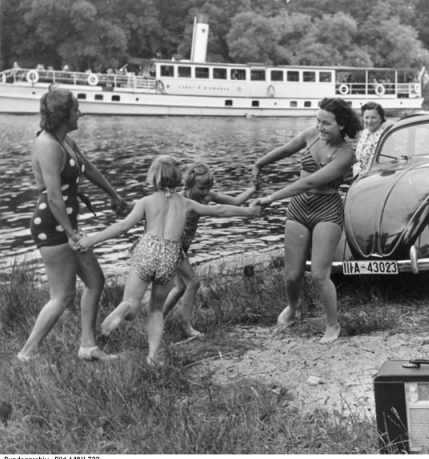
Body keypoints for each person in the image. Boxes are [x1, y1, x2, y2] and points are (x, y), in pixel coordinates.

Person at [76, 156, 261, 366]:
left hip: (147, 249)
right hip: (171, 255)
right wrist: (250, 212)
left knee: (131, 302)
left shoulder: (146, 202)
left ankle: (124, 309)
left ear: (153, 177)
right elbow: (221, 210)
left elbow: (123, 226)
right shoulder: (187, 203)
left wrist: (92, 239)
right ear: (179, 178)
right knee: (156, 310)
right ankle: (153, 357)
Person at [17, 88, 128, 362]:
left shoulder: (64, 140)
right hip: (53, 225)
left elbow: (88, 168)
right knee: (62, 296)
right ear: (63, 114)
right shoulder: (47, 145)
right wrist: (71, 234)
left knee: (95, 281)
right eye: (76, 109)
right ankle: (26, 354)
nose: (81, 113)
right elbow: (54, 197)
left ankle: (88, 347)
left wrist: (113, 194)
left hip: (66, 223)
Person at [251, 97, 362, 343]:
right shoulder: (311, 135)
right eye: (318, 121)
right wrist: (259, 163)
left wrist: (271, 198)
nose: (320, 127)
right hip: (300, 207)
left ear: (342, 125)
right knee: (292, 274)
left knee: (319, 275)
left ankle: (332, 325)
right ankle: (292, 308)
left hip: (327, 210)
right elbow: (286, 149)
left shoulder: (345, 154)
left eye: (326, 124)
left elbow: (310, 182)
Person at [161, 162, 256, 338]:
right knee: (193, 283)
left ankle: (157, 320)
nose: (205, 192)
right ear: (188, 184)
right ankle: (186, 326)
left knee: (181, 287)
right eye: (201, 188)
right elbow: (219, 210)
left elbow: (234, 202)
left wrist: (252, 190)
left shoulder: (206, 197)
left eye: (208, 188)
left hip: (182, 247)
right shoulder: (179, 199)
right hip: (171, 245)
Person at [353, 102, 389, 177]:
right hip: (358, 175)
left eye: (373, 117)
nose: (369, 121)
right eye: (366, 117)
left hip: (373, 177)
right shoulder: (364, 133)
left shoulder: (384, 136)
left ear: (381, 118)